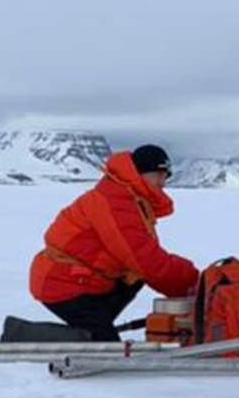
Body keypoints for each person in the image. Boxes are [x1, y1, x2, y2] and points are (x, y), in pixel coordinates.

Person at [29, 144, 199, 340]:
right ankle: (32, 339)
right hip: (63, 283)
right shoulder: (116, 201)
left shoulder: (130, 198)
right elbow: (145, 259)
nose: (163, 181)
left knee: (133, 277)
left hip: (84, 280)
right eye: (158, 173)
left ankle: (92, 330)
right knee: (105, 346)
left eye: (166, 175)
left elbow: (143, 258)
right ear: (139, 173)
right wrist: (195, 284)